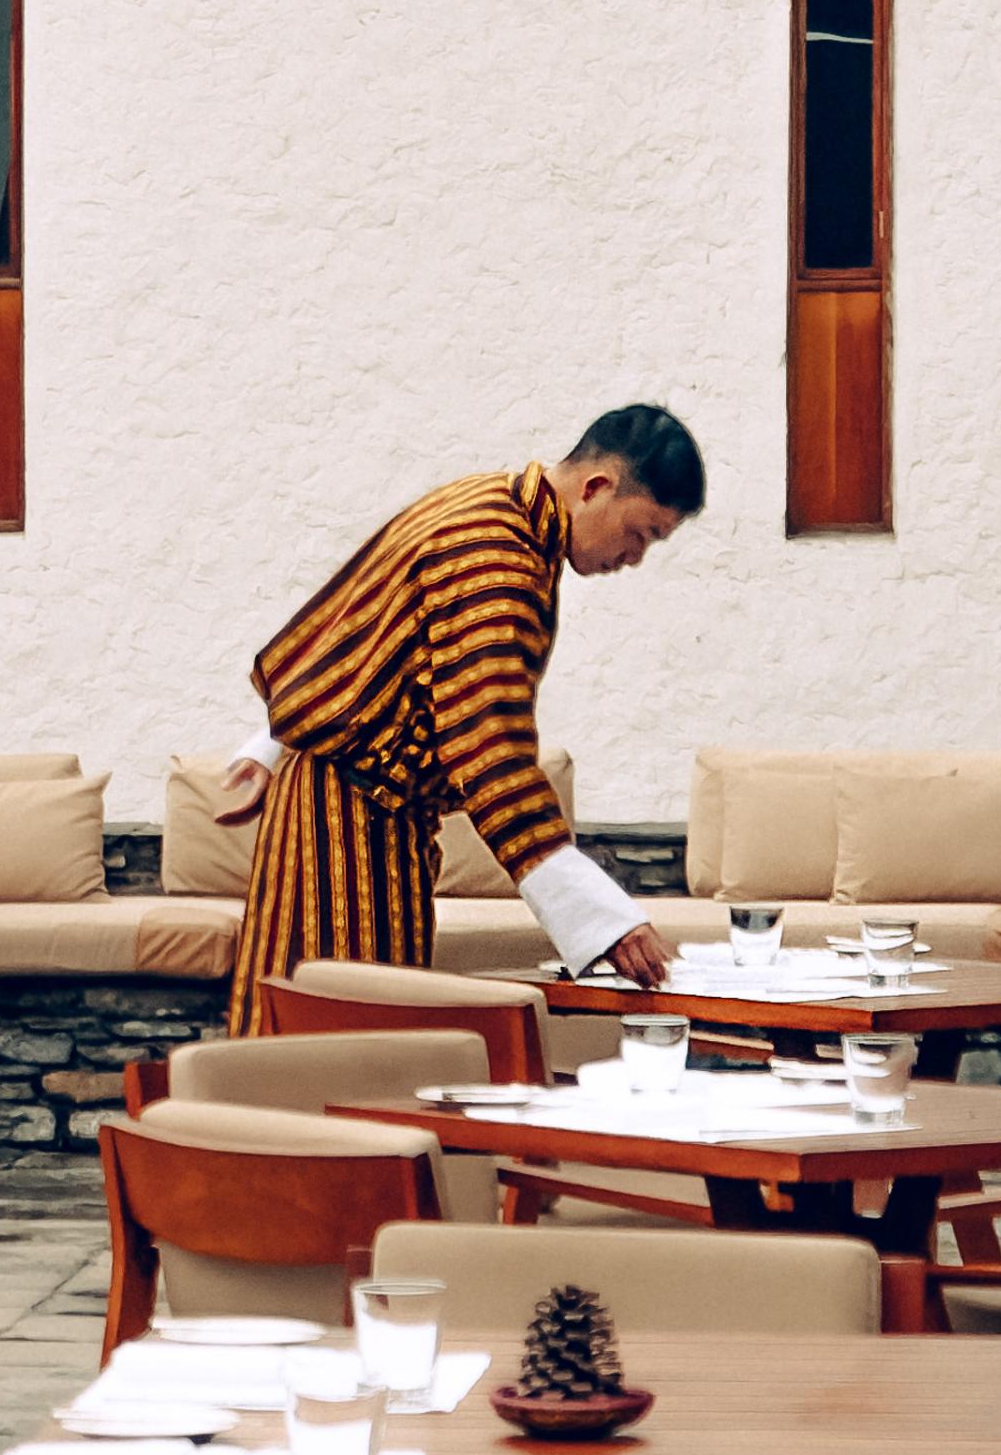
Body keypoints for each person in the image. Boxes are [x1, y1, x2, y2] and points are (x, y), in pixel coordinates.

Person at [220, 408, 705, 1033]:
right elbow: (487, 745)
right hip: (347, 824)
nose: (634, 558)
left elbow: (370, 632)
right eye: (643, 533)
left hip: (349, 804)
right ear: (596, 488)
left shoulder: (484, 504)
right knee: (342, 1042)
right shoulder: (495, 552)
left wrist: (276, 739)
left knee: (337, 1031)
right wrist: (601, 916)